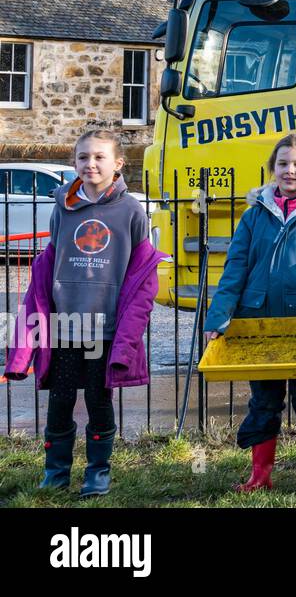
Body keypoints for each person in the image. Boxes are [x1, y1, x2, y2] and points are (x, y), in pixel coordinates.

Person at [4, 130, 163, 497]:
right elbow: (51, 263)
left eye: (99, 157)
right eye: (82, 157)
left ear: (118, 164)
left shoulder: (131, 211)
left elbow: (141, 275)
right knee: (60, 400)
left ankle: (98, 472)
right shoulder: (62, 207)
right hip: (65, 325)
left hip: (103, 329)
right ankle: (55, 471)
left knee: (97, 399)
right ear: (74, 162)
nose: (90, 164)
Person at [204, 133, 296, 491]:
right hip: (258, 325)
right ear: (273, 168)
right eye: (283, 163)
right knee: (264, 401)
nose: (290, 171)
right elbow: (235, 267)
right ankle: (260, 473)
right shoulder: (254, 217)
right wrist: (218, 319)